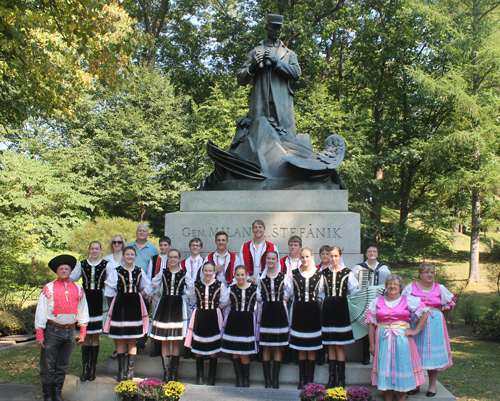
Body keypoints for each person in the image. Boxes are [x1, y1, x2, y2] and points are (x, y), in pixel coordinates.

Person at [236, 14, 301, 137]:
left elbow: (296, 73)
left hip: (282, 105)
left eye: (279, 29)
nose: (276, 31)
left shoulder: (288, 53)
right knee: (259, 139)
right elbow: (240, 78)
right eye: (273, 28)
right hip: (260, 103)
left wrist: (277, 61)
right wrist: (252, 66)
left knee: (285, 141)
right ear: (266, 28)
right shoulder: (254, 52)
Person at [35, 255, 89, 401]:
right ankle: (48, 395)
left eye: (67, 269)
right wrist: (40, 333)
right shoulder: (49, 288)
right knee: (48, 364)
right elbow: (41, 310)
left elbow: (83, 310)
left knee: (63, 365)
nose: (64, 271)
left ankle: (58, 393)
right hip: (53, 330)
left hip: (70, 331)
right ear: (57, 271)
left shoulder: (78, 289)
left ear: (71, 271)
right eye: (61, 269)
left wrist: (82, 332)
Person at [367, 274, 428, 401]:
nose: (392, 286)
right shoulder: (377, 301)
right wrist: (372, 344)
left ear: (400, 287)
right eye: (389, 284)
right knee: (386, 372)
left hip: (402, 341)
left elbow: (425, 312)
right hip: (383, 340)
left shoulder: (408, 300)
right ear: (386, 287)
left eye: (395, 284)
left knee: (402, 369)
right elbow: (371, 324)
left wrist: (415, 331)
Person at [402, 263, 455, 397]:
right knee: (415, 353)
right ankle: (416, 384)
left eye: (432, 272)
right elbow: (403, 304)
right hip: (416, 323)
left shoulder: (440, 288)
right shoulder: (411, 287)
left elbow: (449, 305)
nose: (430, 274)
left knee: (432, 356)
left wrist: (439, 316)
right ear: (420, 274)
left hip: (435, 325)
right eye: (426, 272)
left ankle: (432, 387)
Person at [104, 246, 150, 381]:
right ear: (123, 256)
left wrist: (140, 295)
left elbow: (147, 285)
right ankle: (120, 370)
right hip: (121, 304)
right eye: (127, 254)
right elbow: (110, 289)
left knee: (132, 338)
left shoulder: (139, 271)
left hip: (135, 305)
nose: (130, 256)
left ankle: (130, 371)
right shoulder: (116, 271)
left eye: (132, 254)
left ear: (135, 256)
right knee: (120, 337)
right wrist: (116, 301)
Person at [147, 249, 191, 383]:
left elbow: (192, 290)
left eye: (175, 257)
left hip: (177, 306)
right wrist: (157, 299)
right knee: (165, 338)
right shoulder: (163, 272)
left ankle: (174, 373)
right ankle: (166, 372)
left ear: (179, 258)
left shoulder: (184, 273)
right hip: (165, 306)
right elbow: (152, 286)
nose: (172, 259)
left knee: (176, 339)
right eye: (170, 257)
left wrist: (184, 299)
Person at [70, 241, 108, 382]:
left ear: (101, 249)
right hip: (84, 299)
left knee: (95, 335)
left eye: (97, 249)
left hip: (98, 298)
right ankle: (85, 367)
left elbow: (111, 280)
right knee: (84, 333)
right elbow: (72, 278)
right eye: (92, 249)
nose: (94, 251)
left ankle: (93, 368)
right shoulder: (82, 264)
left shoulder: (105, 264)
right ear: (89, 249)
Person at [185, 261, 229, 386]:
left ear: (214, 272)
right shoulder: (197, 284)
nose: (208, 273)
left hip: (213, 317)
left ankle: (211, 377)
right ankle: (199, 377)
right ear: (202, 272)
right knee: (199, 348)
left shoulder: (219, 285)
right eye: (206, 271)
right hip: (200, 316)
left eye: (210, 271)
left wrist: (217, 309)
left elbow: (225, 300)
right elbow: (191, 297)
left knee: (213, 348)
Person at [287, 248, 324, 389]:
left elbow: (321, 292)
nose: (305, 259)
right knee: (301, 346)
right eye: (302, 257)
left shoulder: (319, 274)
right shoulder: (294, 274)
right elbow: (290, 292)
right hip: (299, 311)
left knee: (312, 347)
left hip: (313, 311)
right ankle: (302, 379)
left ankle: (311, 379)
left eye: (307, 257)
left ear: (312, 257)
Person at [321, 246, 357, 389]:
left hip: (341, 308)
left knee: (339, 344)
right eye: (331, 256)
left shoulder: (347, 272)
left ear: (340, 256)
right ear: (328, 257)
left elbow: (354, 290)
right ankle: (332, 378)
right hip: (328, 308)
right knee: (330, 343)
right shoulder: (324, 273)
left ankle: (342, 379)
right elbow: (320, 291)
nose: (333, 258)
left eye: (336, 256)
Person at [351, 242, 391, 365]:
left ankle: (379, 356)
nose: (372, 253)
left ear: (377, 253)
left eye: (374, 251)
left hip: (379, 301)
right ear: (366, 253)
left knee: (379, 327)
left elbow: (388, 284)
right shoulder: (359, 268)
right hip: (365, 301)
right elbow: (352, 285)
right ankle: (365, 355)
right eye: (370, 251)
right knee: (365, 327)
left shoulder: (383, 268)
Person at [221, 265, 258, 387]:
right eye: (238, 275)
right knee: (235, 351)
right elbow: (224, 302)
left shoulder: (254, 288)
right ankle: (239, 377)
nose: (240, 277)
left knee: (244, 352)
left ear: (247, 275)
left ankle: (246, 377)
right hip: (234, 320)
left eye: (243, 275)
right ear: (234, 276)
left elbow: (261, 300)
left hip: (247, 321)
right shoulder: (231, 288)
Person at [256, 251, 289, 389]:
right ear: (265, 261)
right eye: (268, 258)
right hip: (266, 311)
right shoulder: (260, 278)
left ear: (277, 261)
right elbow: (258, 296)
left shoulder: (283, 277)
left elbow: (287, 293)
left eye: (273, 259)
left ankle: (275, 379)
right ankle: (267, 379)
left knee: (278, 345)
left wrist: (282, 301)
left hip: (279, 311)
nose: (270, 261)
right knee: (266, 345)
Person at [127, 224, 159, 355]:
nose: (141, 233)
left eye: (144, 231)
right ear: (136, 232)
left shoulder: (152, 248)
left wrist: (150, 292)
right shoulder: (129, 246)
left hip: (144, 288)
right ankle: (127, 344)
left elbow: (155, 268)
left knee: (143, 316)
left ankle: (140, 344)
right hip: (128, 286)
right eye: (139, 230)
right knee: (128, 316)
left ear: (148, 234)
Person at [147, 236, 171, 358]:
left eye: (165, 245)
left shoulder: (172, 258)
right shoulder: (154, 259)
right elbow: (150, 275)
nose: (163, 247)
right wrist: (150, 294)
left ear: (169, 246)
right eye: (161, 245)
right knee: (156, 319)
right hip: (156, 291)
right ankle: (156, 347)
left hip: (168, 291)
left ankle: (166, 348)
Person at [180, 237, 204, 359]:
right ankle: (187, 348)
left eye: (197, 245)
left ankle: (196, 347)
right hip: (186, 295)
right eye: (193, 245)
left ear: (201, 248)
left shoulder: (204, 261)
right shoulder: (183, 262)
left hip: (200, 296)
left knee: (198, 323)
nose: (195, 247)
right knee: (187, 322)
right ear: (189, 247)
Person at [104, 234, 126, 359]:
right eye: (114, 242)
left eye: (119, 242)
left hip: (126, 293)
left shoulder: (127, 256)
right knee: (114, 322)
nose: (117, 244)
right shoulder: (107, 258)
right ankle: (118, 348)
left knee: (125, 321)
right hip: (112, 293)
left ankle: (126, 347)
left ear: (123, 243)